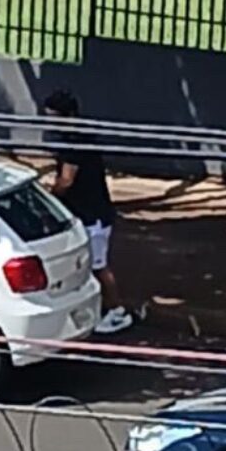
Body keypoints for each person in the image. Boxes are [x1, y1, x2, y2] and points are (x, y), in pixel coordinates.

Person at [42, 89, 134, 335]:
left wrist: (48, 198)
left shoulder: (73, 143)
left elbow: (66, 180)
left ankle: (117, 311)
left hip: (93, 217)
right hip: (92, 212)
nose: (50, 123)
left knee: (98, 266)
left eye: (53, 117)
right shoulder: (82, 135)